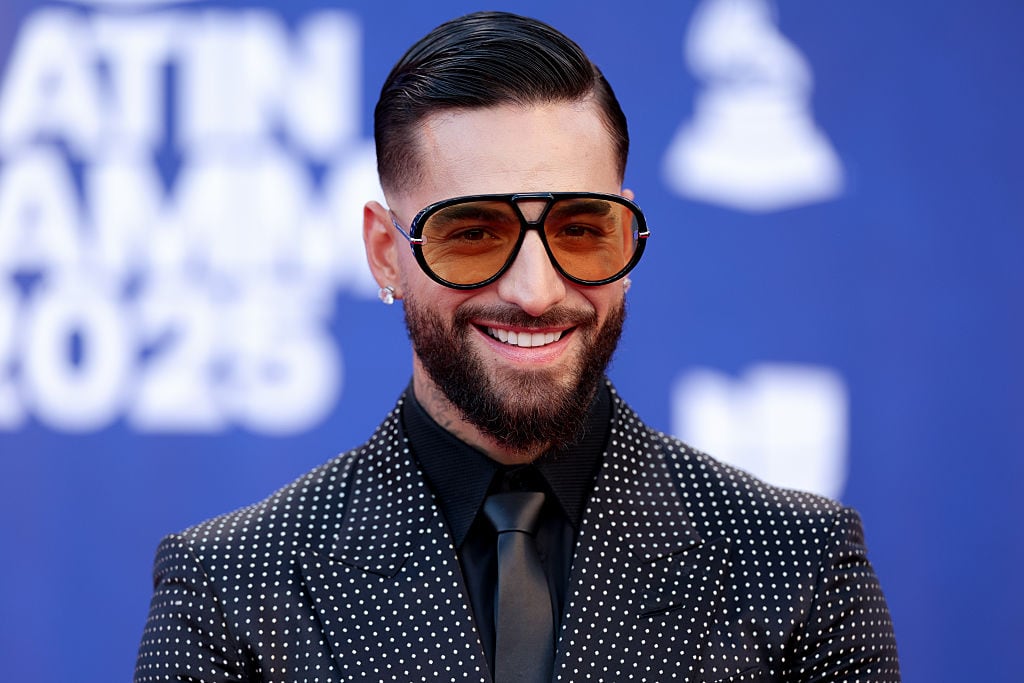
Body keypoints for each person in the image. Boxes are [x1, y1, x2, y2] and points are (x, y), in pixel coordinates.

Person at [135, 11, 899, 682]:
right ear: (383, 252)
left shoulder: (798, 564)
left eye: (580, 228)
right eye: (474, 233)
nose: (536, 290)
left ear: (626, 235)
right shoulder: (230, 585)